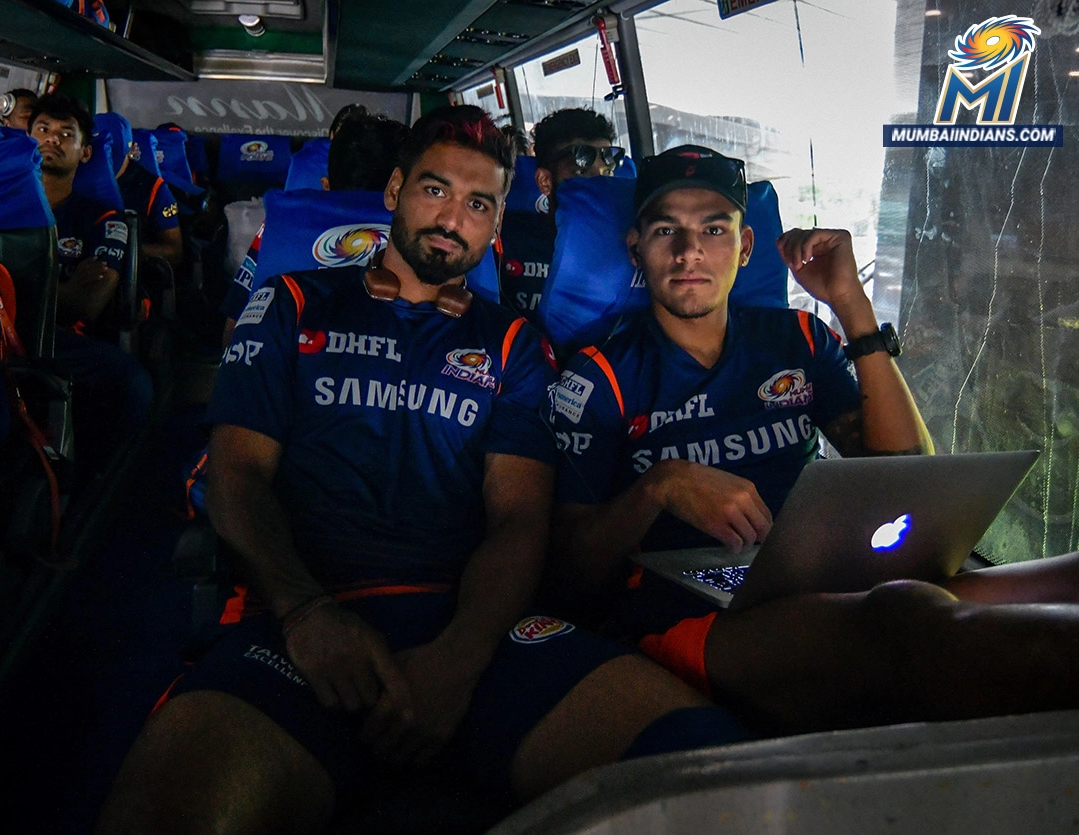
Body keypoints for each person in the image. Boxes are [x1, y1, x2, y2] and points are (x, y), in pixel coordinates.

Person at [95, 106, 749, 835]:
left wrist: (460, 656)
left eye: (479, 204)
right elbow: (236, 476)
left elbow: (518, 518)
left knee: (705, 767)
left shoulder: (512, 343)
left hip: (473, 625)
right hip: (298, 623)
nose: (452, 218)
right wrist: (308, 614)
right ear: (394, 190)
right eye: (435, 190)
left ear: (496, 224)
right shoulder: (291, 302)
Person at [549, 144, 1079, 736]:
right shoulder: (601, 376)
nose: (689, 251)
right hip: (694, 615)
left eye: (714, 229)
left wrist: (850, 305)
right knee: (907, 620)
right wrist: (660, 487)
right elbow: (570, 574)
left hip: (825, 569)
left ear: (745, 247)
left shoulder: (798, 339)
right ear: (635, 248)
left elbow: (905, 471)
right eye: (666, 230)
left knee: (1066, 578)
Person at [29, 94, 152, 476]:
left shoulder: (104, 218)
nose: (52, 139)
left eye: (66, 134)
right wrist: (62, 289)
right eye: (43, 129)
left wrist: (15, 291)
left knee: (130, 382)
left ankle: (92, 478)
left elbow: (88, 303)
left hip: (57, 340)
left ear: (85, 153)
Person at [218, 111, 410, 348]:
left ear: (325, 186)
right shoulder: (425, 237)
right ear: (399, 189)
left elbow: (234, 328)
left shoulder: (280, 220)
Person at [499, 108, 625, 320]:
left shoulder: (630, 244)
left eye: (607, 173)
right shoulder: (507, 239)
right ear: (545, 182)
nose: (600, 187)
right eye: (581, 173)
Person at [95, 112, 184, 267]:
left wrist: (122, 250)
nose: (105, 160)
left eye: (112, 153)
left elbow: (174, 250)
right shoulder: (72, 176)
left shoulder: (153, 188)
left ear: (132, 150)